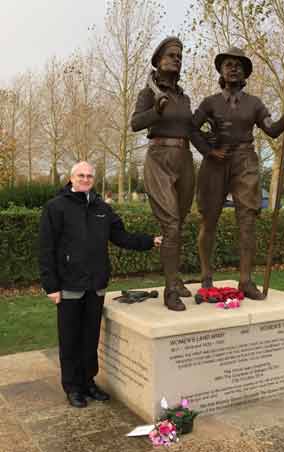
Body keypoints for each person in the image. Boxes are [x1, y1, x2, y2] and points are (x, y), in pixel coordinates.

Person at [39, 161, 161, 408]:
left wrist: (150, 241)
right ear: (71, 178)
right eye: (81, 175)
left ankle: (88, 382)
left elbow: (121, 237)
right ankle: (72, 387)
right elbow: (46, 248)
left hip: (96, 285)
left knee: (90, 337)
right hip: (69, 285)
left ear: (93, 179)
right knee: (70, 339)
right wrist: (51, 286)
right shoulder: (56, 207)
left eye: (89, 176)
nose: (85, 179)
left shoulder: (102, 208)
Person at [193, 47, 284, 300]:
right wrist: (208, 151)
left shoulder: (254, 103)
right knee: (209, 220)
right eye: (228, 64)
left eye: (239, 65)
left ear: (245, 73)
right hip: (215, 162)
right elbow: (191, 129)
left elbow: (272, 130)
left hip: (245, 161)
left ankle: (246, 280)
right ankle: (206, 275)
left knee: (248, 222)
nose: (233, 68)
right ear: (220, 70)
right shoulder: (209, 102)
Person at [131, 37, 195, 312]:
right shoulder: (148, 92)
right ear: (158, 60)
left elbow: (191, 130)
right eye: (171, 55)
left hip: (185, 158)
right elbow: (135, 123)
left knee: (178, 224)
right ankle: (170, 290)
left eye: (180, 55)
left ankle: (176, 278)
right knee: (170, 225)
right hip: (159, 159)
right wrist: (156, 110)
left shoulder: (184, 96)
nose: (176, 59)